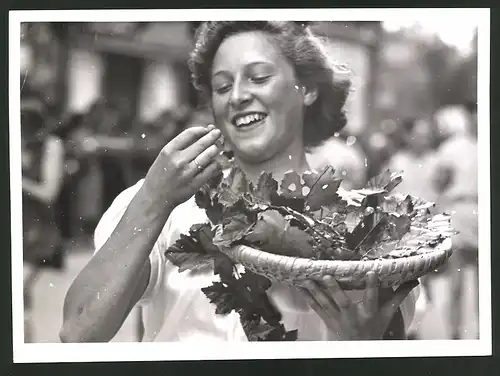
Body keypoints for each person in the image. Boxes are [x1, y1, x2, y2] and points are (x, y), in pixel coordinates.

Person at [60, 21, 420, 343]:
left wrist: (363, 346)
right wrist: (154, 198)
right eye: (221, 86)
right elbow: (78, 332)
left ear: (306, 89)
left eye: (259, 78)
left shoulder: (367, 230)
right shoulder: (168, 206)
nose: (237, 96)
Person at [21, 88, 66, 342]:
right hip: (20, 226)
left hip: (38, 231)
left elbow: (49, 191)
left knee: (18, 290)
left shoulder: (51, 145)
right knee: (21, 302)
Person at [432, 102, 478, 339]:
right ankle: (467, 331)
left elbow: (439, 181)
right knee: (469, 278)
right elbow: (440, 181)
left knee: (471, 279)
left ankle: (468, 331)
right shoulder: (465, 147)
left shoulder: (453, 148)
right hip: (470, 210)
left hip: (471, 211)